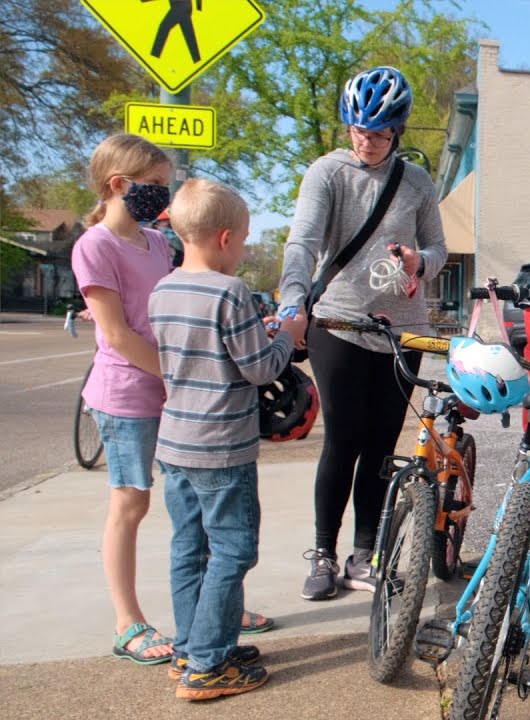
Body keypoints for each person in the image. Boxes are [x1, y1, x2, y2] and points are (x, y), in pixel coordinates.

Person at [277, 66, 447, 600]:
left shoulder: (417, 182)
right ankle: (324, 552)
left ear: (397, 131)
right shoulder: (327, 173)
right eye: (357, 129)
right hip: (339, 323)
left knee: (380, 447)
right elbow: (302, 241)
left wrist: (420, 262)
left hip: (402, 331)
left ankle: (364, 553)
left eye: (377, 133)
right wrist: (290, 301)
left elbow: (438, 249)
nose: (365, 141)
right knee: (344, 440)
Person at [149, 178, 306, 699]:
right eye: (242, 241)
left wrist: (253, 332)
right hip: (221, 447)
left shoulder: (163, 289)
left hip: (174, 444)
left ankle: (190, 647)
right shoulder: (231, 291)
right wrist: (287, 333)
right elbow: (260, 370)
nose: (241, 250)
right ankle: (210, 665)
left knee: (188, 548)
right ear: (222, 238)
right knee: (233, 551)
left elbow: (201, 351)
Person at [71, 132, 177, 665]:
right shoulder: (95, 246)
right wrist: (174, 375)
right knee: (130, 502)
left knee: (193, 494)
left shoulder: (157, 243)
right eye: (156, 185)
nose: (164, 195)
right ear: (119, 185)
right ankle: (127, 623)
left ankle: (213, 599)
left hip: (167, 389)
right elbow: (115, 334)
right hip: (126, 392)